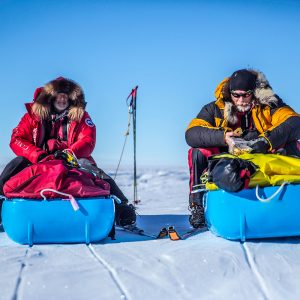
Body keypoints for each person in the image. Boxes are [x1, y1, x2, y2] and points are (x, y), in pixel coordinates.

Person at [0, 77, 136, 226]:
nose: (62, 99)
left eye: (66, 96)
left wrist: (68, 153)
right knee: (17, 163)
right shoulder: (31, 117)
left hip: (71, 160)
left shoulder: (81, 117)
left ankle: (121, 206)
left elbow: (88, 140)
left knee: (90, 167)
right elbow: (17, 139)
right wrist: (37, 155)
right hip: (38, 161)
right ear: (50, 97)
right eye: (59, 95)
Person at [185, 69, 300, 228]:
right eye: (236, 95)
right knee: (197, 152)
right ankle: (197, 205)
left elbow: (294, 122)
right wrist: (224, 137)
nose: (241, 100)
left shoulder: (270, 105)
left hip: (263, 155)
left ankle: (293, 200)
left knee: (293, 144)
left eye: (246, 94)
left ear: (254, 92)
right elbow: (192, 133)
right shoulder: (214, 109)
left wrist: (266, 141)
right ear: (230, 93)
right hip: (226, 158)